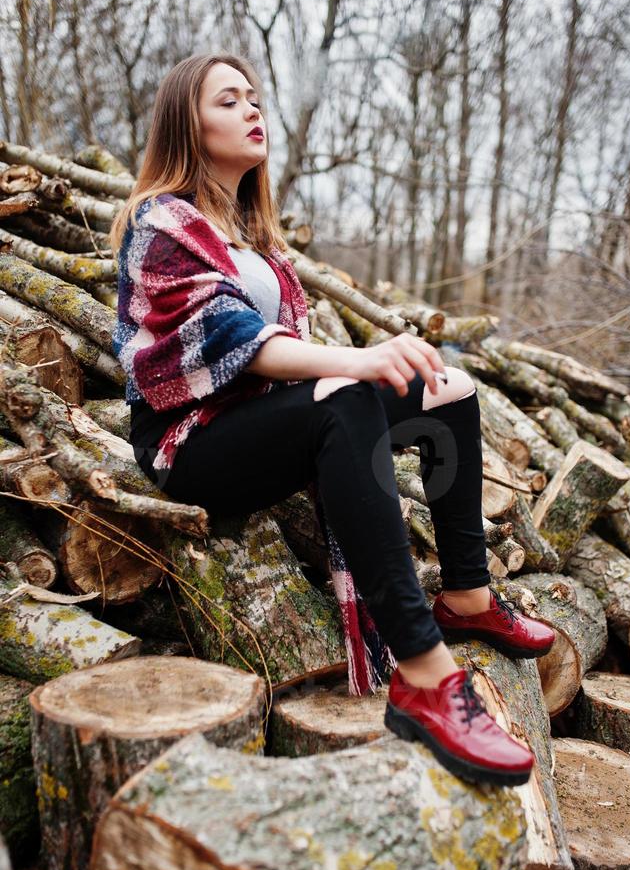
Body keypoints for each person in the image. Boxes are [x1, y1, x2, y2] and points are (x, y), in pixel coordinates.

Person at [110, 52, 555, 787]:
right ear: (186, 122)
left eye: (255, 98)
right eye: (229, 101)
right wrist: (354, 362)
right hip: (187, 444)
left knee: (448, 389)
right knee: (344, 398)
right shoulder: (162, 223)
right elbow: (228, 343)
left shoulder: (253, 236)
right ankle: (423, 674)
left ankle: (467, 596)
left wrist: (366, 368)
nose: (254, 111)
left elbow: (280, 357)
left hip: (256, 424)